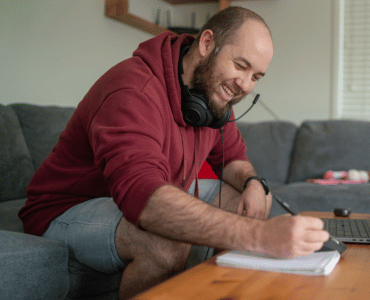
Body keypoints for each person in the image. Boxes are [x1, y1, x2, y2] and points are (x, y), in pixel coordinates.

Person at [18, 6, 329, 299]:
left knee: (241, 200)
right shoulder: (132, 89)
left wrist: (253, 183)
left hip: (125, 197)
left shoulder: (213, 96)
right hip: (63, 210)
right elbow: (144, 199)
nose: (245, 85)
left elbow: (232, 159)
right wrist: (260, 236)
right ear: (208, 43)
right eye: (241, 66)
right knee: (164, 241)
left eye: (256, 77)